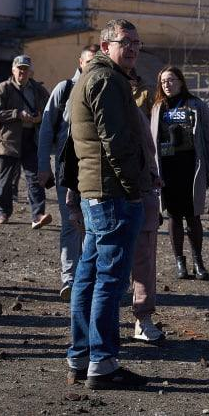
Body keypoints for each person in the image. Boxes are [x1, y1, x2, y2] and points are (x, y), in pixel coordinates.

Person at [65, 19, 152, 389]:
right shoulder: (106, 80)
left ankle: (81, 356)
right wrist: (133, 188)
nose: (132, 48)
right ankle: (102, 362)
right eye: (124, 42)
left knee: (89, 276)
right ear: (105, 47)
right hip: (112, 195)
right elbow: (115, 142)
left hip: (98, 193)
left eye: (136, 42)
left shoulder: (97, 77)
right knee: (109, 281)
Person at [37, 46, 96, 300]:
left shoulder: (101, 89)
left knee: (92, 225)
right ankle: (70, 279)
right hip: (66, 170)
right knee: (71, 224)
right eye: (88, 61)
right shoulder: (64, 89)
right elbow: (46, 130)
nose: (92, 66)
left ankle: (87, 278)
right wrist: (43, 165)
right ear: (80, 62)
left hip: (94, 170)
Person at [150, 66, 209, 280]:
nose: (167, 85)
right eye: (163, 82)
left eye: (171, 80)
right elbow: (152, 141)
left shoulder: (196, 105)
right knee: (173, 216)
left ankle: (198, 262)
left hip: (191, 168)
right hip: (167, 169)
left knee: (193, 215)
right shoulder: (158, 107)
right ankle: (180, 262)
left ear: (180, 81)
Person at [0, 55, 51, 228]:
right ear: (13, 70)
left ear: (31, 72)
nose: (22, 72)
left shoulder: (38, 89)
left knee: (35, 178)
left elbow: (49, 110)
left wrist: (39, 117)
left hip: (31, 138)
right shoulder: (3, 88)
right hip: (9, 140)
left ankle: (38, 215)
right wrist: (17, 114)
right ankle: (3, 212)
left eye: (26, 69)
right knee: (6, 181)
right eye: (19, 68)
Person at [132, 108, 164, 343]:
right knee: (104, 268)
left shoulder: (133, 111)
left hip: (140, 196)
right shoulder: (87, 102)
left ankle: (143, 319)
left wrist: (152, 180)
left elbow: (148, 149)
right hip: (102, 199)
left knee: (143, 263)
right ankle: (100, 326)